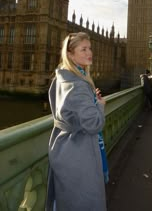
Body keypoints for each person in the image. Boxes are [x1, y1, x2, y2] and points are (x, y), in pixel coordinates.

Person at [45, 32, 108, 211]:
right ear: (70, 54)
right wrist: (100, 106)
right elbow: (94, 124)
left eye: (90, 48)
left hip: (61, 147)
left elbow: (67, 109)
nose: (90, 53)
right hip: (78, 154)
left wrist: (90, 101)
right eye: (84, 49)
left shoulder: (61, 78)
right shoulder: (78, 84)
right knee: (84, 202)